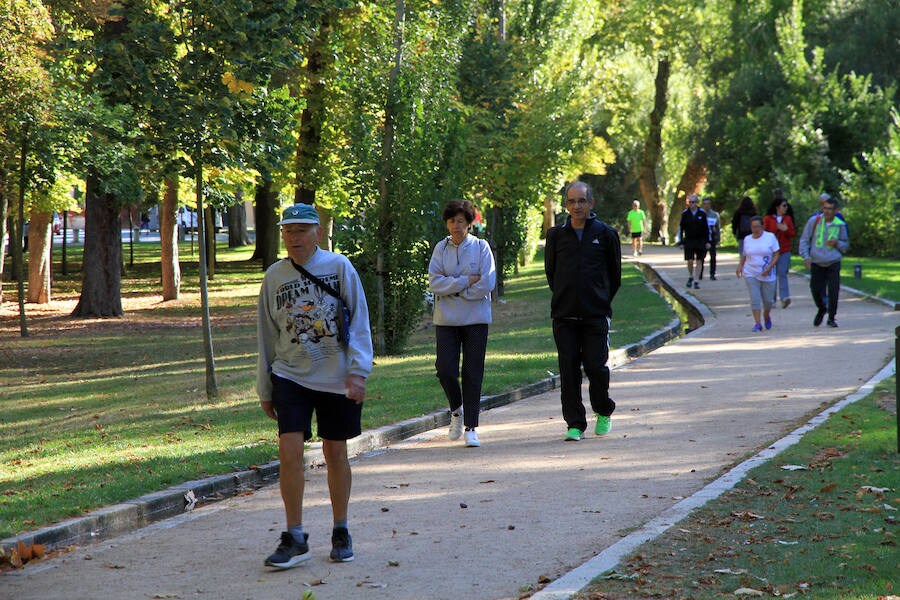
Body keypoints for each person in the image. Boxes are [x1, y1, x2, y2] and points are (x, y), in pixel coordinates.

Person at [257, 203, 373, 569]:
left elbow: (359, 320)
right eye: (288, 232)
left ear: (317, 233)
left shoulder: (339, 268)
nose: (294, 238)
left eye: (301, 231)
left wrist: (358, 371)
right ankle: (294, 535)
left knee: (335, 453)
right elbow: (266, 333)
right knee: (288, 449)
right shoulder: (274, 277)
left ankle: (341, 529)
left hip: (336, 376)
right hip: (290, 374)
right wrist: (265, 386)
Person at [545, 181, 621, 441]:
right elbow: (551, 274)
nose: (576, 206)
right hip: (564, 316)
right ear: (566, 204)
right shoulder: (556, 235)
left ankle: (603, 410)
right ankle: (574, 424)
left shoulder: (606, 234)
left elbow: (615, 276)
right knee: (568, 371)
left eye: (581, 201)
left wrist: (598, 300)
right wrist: (567, 296)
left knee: (596, 367)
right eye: (571, 201)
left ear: (591, 203)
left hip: (595, 315)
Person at [428, 200, 496, 448]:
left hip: (476, 320)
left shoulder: (481, 247)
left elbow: (487, 283)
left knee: (472, 371)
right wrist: (466, 281)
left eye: (460, 221)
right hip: (446, 321)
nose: (455, 226)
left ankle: (471, 427)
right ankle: (457, 410)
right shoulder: (440, 249)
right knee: (445, 369)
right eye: (451, 221)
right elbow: (434, 283)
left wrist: (454, 289)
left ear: (469, 224)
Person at [798, 196, 849, 327]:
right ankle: (822, 308)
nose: (826, 211)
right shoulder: (814, 221)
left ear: (836, 210)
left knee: (833, 290)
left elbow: (845, 246)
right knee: (815, 289)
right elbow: (804, 240)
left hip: (833, 261)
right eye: (825, 208)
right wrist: (806, 257)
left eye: (830, 209)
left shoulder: (840, 224)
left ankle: (831, 318)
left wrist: (837, 243)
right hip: (817, 261)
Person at [736, 216, 780, 331]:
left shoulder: (770, 237)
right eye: (753, 227)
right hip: (751, 272)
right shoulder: (747, 239)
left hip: (768, 273)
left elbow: (776, 254)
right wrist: (740, 265)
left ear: (762, 226)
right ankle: (757, 323)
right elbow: (745, 254)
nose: (755, 229)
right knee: (755, 298)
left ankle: (766, 315)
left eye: (757, 226)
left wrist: (770, 267)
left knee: (768, 301)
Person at [763, 190, 796, 308]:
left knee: (782, 273)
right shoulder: (767, 219)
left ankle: (784, 297)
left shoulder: (787, 219)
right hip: (771, 251)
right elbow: (764, 233)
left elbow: (793, 233)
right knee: (771, 275)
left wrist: (786, 230)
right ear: (777, 207)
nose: (786, 208)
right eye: (784, 205)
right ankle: (771, 299)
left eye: (786, 205)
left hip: (784, 250)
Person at [677, 194, 710, 289]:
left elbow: (706, 228)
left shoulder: (702, 213)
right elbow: (681, 228)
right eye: (690, 202)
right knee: (690, 260)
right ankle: (690, 275)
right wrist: (681, 242)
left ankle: (696, 280)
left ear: (697, 203)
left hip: (700, 240)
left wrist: (707, 241)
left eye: (693, 202)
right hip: (689, 240)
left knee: (699, 260)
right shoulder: (685, 214)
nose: (691, 204)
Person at [699, 196, 720, 280]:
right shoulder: (700, 214)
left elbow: (717, 227)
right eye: (705, 204)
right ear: (702, 205)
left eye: (708, 204)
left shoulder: (714, 215)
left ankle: (712, 274)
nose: (706, 206)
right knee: (701, 257)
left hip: (712, 238)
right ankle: (700, 273)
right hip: (702, 238)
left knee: (713, 256)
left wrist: (718, 238)